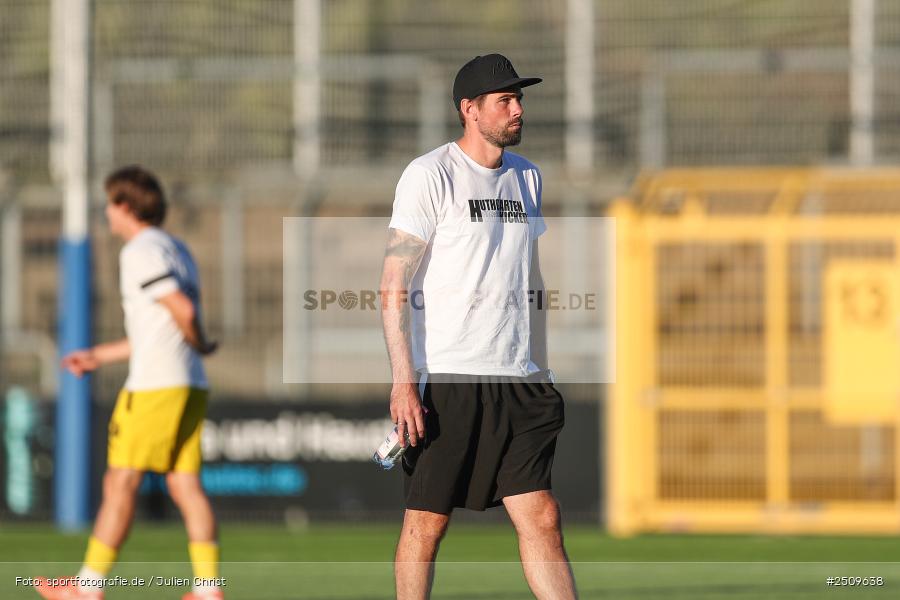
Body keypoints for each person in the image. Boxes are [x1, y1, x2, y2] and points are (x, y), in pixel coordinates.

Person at [380, 54, 578, 600]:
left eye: (519, 99)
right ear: (469, 109)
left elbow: (530, 277)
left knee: (542, 515)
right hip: (449, 376)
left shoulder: (527, 177)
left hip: (520, 378)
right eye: (505, 100)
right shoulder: (430, 174)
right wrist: (403, 381)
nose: (518, 109)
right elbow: (394, 281)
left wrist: (540, 363)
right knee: (427, 524)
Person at [35, 166, 222, 600]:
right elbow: (160, 329)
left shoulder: (140, 250)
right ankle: (208, 588)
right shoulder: (177, 248)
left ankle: (87, 588)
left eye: (109, 204)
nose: (106, 212)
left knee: (120, 482)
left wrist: (200, 339)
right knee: (185, 484)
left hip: (155, 387)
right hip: (190, 382)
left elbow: (182, 312)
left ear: (124, 206)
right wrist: (98, 355)